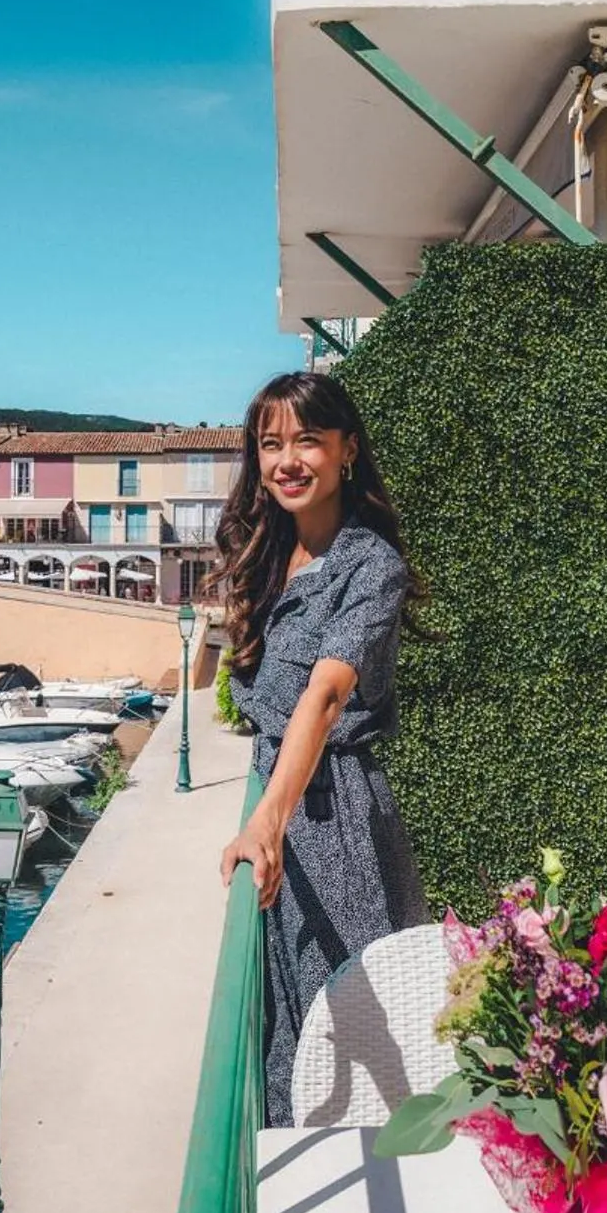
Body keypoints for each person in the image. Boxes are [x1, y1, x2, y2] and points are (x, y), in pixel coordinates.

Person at [216, 371, 428, 1126]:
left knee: (350, 1036)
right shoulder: (272, 556)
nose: (287, 460)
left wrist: (266, 821)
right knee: (290, 1035)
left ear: (347, 450)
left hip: (333, 827)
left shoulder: (372, 566)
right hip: (284, 803)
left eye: (307, 439)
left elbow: (326, 694)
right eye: (271, 443)